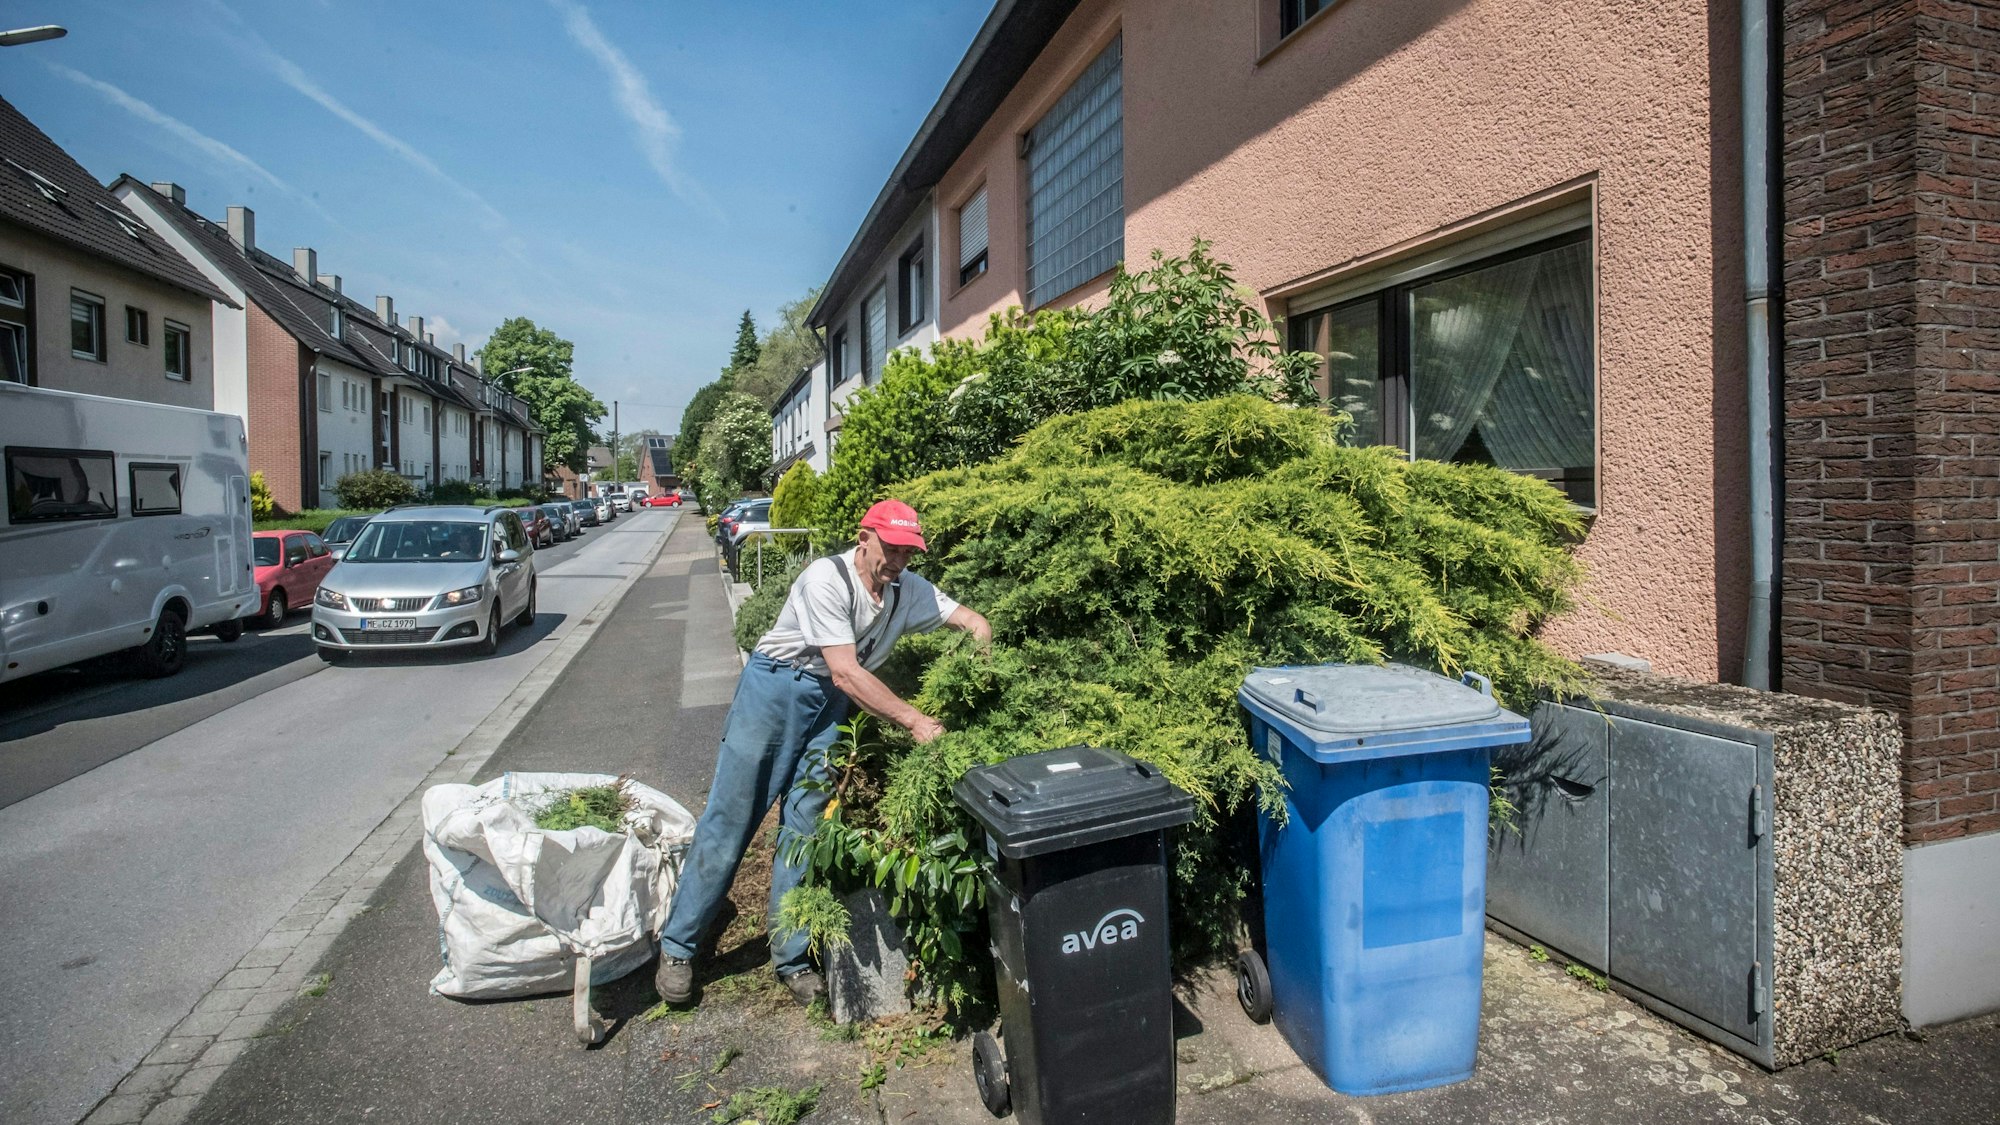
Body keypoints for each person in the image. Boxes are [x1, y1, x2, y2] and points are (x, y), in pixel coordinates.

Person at [656, 499, 991, 1005]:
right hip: (775, 691)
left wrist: (980, 658)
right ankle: (679, 947)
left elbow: (970, 619)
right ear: (865, 538)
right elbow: (846, 670)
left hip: (834, 708)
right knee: (731, 817)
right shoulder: (824, 579)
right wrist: (915, 720)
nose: (899, 561)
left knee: (805, 826)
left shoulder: (906, 589)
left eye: (908, 552)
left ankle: (791, 957)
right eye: (891, 549)